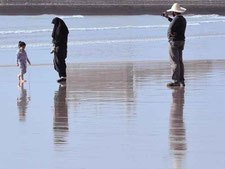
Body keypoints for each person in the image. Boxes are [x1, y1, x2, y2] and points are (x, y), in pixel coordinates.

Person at [162, 3, 187, 87]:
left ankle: (176, 81)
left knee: (174, 61)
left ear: (174, 12)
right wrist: (168, 18)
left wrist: (169, 38)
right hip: (181, 41)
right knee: (180, 61)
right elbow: (174, 23)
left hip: (174, 42)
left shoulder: (176, 19)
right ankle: (181, 81)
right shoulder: (183, 19)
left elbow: (170, 29)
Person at [51, 17, 69, 83]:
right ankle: (62, 76)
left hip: (59, 48)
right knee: (60, 61)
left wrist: (54, 46)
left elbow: (57, 40)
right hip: (63, 48)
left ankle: (62, 76)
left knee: (59, 62)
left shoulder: (59, 31)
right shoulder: (64, 30)